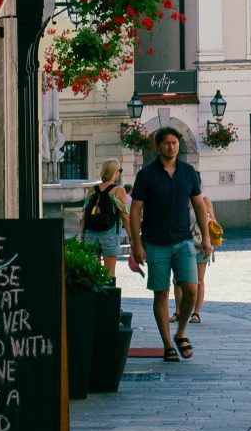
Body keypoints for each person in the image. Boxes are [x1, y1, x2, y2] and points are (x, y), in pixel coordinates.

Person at [126, 128, 215, 363]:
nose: (172, 147)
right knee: (162, 294)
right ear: (158, 146)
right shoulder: (146, 175)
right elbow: (135, 211)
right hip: (155, 243)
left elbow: (199, 205)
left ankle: (181, 331)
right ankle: (167, 344)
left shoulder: (188, 173)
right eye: (167, 143)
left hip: (183, 240)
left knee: (191, 288)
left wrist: (206, 238)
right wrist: (137, 243)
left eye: (175, 143)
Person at [79, 160, 128, 276]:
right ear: (115, 172)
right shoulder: (119, 190)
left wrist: (82, 236)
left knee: (92, 273)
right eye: (119, 171)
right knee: (109, 273)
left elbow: (84, 215)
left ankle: (94, 294)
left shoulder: (92, 190)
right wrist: (131, 238)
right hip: (110, 233)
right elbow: (125, 216)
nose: (119, 173)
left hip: (90, 234)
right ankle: (109, 294)